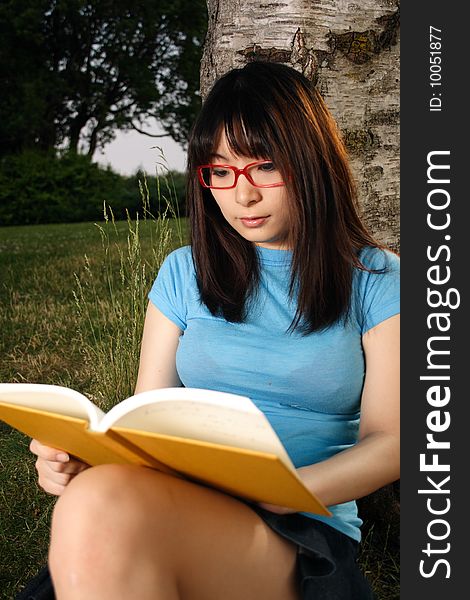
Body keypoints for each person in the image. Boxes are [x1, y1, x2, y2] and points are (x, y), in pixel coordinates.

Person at [30, 61, 399, 600]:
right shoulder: (184, 272)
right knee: (95, 493)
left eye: (264, 167)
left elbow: (391, 443)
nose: (241, 195)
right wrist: (85, 460)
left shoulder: (378, 277)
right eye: (220, 171)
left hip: (293, 523)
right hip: (179, 497)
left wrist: (282, 491)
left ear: (312, 163)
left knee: (100, 507)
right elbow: (145, 419)